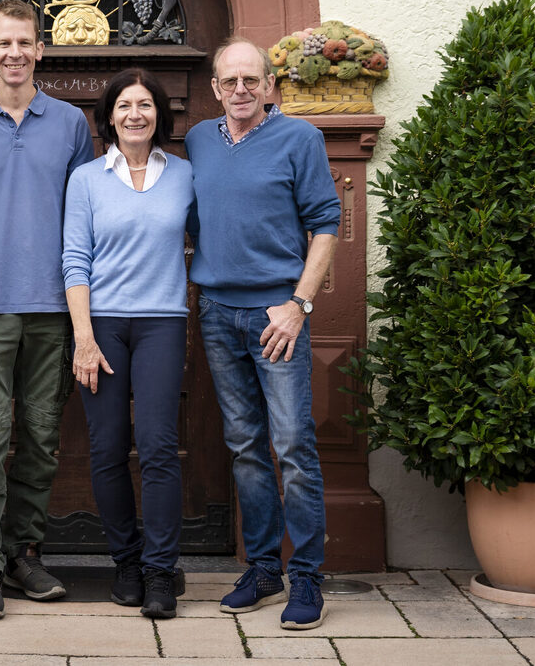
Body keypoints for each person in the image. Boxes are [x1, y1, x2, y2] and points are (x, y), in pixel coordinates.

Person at [0, 0, 95, 620]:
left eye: (24, 43)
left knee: (41, 439)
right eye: (4, 44)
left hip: (54, 309)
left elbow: (88, 215)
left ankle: (24, 553)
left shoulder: (70, 124)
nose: (14, 54)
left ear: (41, 50)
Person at [186, 37, 340, 631]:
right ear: (216, 88)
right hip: (218, 313)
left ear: (270, 86)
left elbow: (326, 225)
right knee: (246, 447)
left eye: (253, 80)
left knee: (294, 447)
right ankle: (263, 569)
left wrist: (298, 305)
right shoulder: (200, 139)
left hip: (279, 318)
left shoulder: (300, 139)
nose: (241, 90)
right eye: (230, 81)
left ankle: (306, 577)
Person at [61, 68, 193, 619]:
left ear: (159, 114)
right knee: (107, 448)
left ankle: (162, 569)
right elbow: (75, 261)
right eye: (123, 105)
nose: (134, 114)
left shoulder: (186, 174)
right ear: (109, 116)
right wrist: (84, 339)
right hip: (104, 325)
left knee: (160, 446)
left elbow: (217, 233)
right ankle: (127, 562)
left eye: (145, 104)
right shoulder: (87, 179)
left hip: (164, 320)